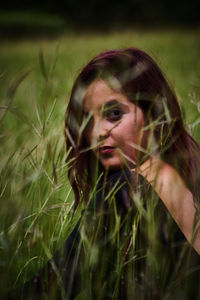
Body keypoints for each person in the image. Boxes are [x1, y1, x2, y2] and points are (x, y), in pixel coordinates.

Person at [10, 47, 200, 299]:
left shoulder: (125, 188)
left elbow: (47, 288)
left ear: (153, 112)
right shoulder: (184, 172)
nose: (97, 132)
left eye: (114, 114)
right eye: (88, 120)